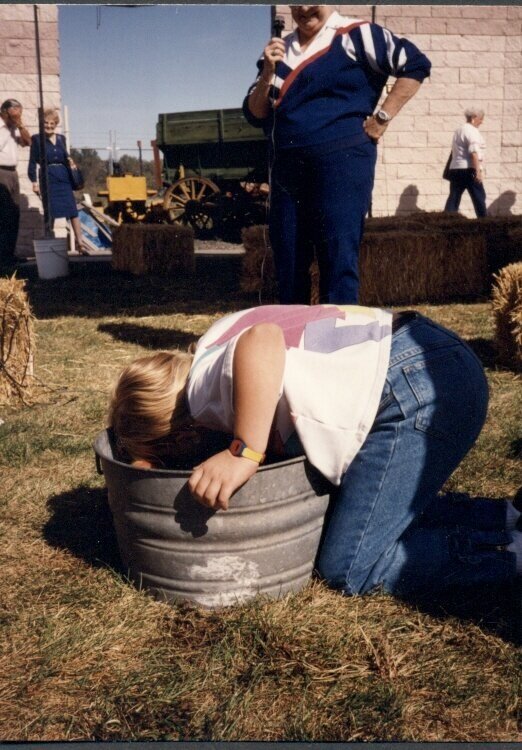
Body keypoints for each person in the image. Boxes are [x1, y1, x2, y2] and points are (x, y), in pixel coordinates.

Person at [108, 304, 521, 599]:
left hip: (414, 389)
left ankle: (510, 556)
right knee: (369, 514)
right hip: (430, 350)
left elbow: (263, 339)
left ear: (179, 440)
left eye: (164, 461)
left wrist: (243, 452)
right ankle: (506, 517)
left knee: (351, 567)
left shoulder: (203, 392)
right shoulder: (212, 341)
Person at [242, 6, 431, 305]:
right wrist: (267, 71)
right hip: (287, 169)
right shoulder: (280, 50)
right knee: (289, 258)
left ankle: (339, 343)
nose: (304, 9)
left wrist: (382, 117)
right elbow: (256, 112)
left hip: (342, 162)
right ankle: (295, 341)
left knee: (337, 258)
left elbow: (416, 64)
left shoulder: (358, 34)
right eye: (296, 3)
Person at [28, 108, 88, 254]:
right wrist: (34, 182)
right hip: (48, 176)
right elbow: (32, 162)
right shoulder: (36, 139)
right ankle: (49, 239)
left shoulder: (61, 139)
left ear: (56, 124)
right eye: (46, 123)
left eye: (52, 123)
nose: (49, 126)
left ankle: (80, 243)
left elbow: (66, 156)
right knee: (50, 210)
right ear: (42, 124)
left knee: (72, 210)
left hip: (63, 176)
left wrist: (71, 163)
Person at [0, 99, 31, 268]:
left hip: (13, 172)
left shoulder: (14, 127)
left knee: (13, 214)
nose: (18, 116)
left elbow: (27, 142)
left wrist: (19, 125)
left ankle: (9, 255)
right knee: (3, 215)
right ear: (5, 112)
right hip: (0, 172)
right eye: (15, 113)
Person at [444, 108, 487, 218]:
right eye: (481, 119)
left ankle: (446, 222)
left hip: (456, 169)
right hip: (469, 169)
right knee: (479, 197)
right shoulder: (472, 131)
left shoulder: (459, 130)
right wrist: (478, 171)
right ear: (474, 118)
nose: (482, 121)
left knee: (454, 198)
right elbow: (474, 152)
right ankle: (484, 223)